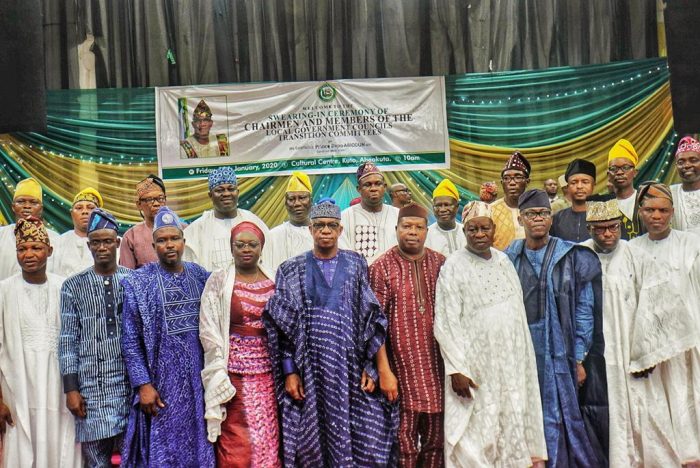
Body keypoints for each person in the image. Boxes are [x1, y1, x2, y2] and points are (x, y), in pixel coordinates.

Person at [264, 199, 398, 467]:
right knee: (311, 443)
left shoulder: (356, 264)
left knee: (367, 438)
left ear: (340, 230)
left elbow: (370, 318)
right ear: (310, 229)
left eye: (331, 225)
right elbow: (283, 328)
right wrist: (290, 372)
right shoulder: (290, 269)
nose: (325, 230)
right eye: (319, 225)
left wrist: (372, 368)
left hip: (350, 369)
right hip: (310, 372)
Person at [434, 201, 546, 467]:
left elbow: (517, 312)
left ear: (494, 229)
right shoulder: (453, 266)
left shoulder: (504, 261)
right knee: (477, 429)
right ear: (464, 232)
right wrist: (456, 369)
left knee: (510, 415)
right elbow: (446, 321)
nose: (479, 234)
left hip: (510, 361)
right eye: (472, 229)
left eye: (485, 228)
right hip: (475, 366)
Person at [505, 189, 608, 467]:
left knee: (560, 413)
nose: (538, 219)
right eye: (531, 214)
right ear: (520, 219)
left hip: (561, 350)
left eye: (543, 213)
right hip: (522, 351)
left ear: (551, 218)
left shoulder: (571, 256)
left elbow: (584, 310)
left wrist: (578, 358)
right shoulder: (508, 257)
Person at [120, 206, 214, 467]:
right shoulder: (139, 283)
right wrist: (143, 384)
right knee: (165, 451)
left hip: (199, 383)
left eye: (174, 238)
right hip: (161, 385)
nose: (169, 245)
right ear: (153, 246)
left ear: (184, 241)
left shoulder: (201, 276)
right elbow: (130, 339)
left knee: (201, 444)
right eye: (162, 240)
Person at [628, 183, 700, 466]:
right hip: (650, 342)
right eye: (649, 210)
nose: (656, 216)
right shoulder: (632, 249)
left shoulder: (691, 244)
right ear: (640, 212)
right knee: (657, 397)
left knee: (687, 391)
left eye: (662, 210)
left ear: (672, 212)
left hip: (688, 336)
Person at [0, 217, 81, 467]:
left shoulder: (65, 288)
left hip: (59, 390)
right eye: (22, 249)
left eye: (36, 247)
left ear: (50, 250)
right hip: (18, 390)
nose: (28, 254)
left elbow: (76, 342)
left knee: (60, 447)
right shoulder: (3, 291)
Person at [369, 203, 446, 467]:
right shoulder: (381, 267)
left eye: (418, 227)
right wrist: (384, 371)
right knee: (404, 442)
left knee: (437, 441)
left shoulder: (441, 264)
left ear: (427, 231)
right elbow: (375, 325)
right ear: (396, 229)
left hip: (438, 368)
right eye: (406, 226)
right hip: (400, 371)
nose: (412, 232)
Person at [200, 222, 280, 467]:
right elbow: (208, 327)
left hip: (268, 374)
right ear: (231, 248)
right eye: (240, 244)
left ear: (261, 248)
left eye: (252, 244)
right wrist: (217, 370)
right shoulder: (219, 280)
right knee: (237, 440)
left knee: (267, 435)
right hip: (233, 375)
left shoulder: (274, 279)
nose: (246, 249)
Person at [59, 208, 131, 467]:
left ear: (117, 243)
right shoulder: (72, 286)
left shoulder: (133, 281)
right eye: (96, 242)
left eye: (107, 241)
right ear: (88, 245)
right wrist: (71, 389)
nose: (102, 247)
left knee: (132, 459)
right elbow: (68, 339)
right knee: (96, 463)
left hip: (128, 388)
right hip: (91, 390)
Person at [185, 166, 269, 271]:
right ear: (210, 195)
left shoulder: (252, 221)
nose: (226, 194)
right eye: (219, 190)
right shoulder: (197, 229)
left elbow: (268, 258)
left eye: (231, 189)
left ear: (237, 192)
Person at [0, 177, 60, 280]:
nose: (27, 206)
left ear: (41, 208)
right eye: (21, 201)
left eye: (33, 202)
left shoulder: (55, 239)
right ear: (13, 207)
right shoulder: (1, 235)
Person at [340, 162, 400, 265]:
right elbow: (344, 253)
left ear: (385, 187)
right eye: (367, 185)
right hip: (359, 273)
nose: (373, 188)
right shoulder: (345, 217)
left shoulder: (398, 215)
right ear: (359, 189)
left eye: (378, 184)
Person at [265, 171, 314, 273]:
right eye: (291, 199)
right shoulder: (273, 236)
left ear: (311, 201)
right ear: (286, 203)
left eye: (302, 198)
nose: (297, 203)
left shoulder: (322, 233)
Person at [119, 174, 166, 269]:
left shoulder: (183, 230)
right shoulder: (131, 237)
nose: (156, 204)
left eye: (160, 198)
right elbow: (127, 275)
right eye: (149, 200)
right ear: (139, 205)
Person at [54, 187, 104, 277]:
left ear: (100, 213)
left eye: (90, 208)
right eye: (79, 208)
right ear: (72, 214)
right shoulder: (58, 242)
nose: (85, 211)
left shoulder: (111, 243)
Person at [550, 159, 597, 242]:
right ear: (568, 187)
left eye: (585, 182)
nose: (579, 186)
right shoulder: (558, 218)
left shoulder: (604, 215)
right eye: (574, 182)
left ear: (593, 185)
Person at [491, 151, 530, 250]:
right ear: (502, 183)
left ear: (527, 182)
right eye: (507, 178)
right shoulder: (491, 210)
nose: (512, 182)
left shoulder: (536, 209)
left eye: (518, 177)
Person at [607, 139, 642, 239]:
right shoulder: (602, 206)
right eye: (614, 169)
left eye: (625, 167)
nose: (619, 172)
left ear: (635, 172)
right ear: (608, 175)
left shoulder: (645, 200)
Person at [425, 179, 466, 255]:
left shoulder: (466, 232)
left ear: (457, 207)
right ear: (433, 207)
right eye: (438, 205)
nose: (442, 209)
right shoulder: (426, 235)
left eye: (447, 205)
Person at [670, 135, 700, 234]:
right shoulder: (669, 194)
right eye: (681, 162)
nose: (687, 165)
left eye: (693, 160)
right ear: (676, 166)